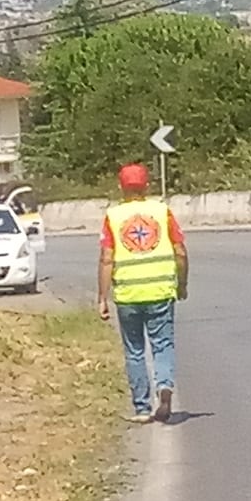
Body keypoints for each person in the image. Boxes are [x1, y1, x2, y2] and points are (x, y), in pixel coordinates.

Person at [97, 163, 189, 423]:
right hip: (160, 291)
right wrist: (182, 284)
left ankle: (141, 408)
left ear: (121, 187)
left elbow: (107, 259)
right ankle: (164, 386)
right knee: (162, 345)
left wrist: (102, 298)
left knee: (135, 350)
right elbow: (180, 252)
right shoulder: (162, 211)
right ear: (146, 186)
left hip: (128, 295)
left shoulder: (113, 216)